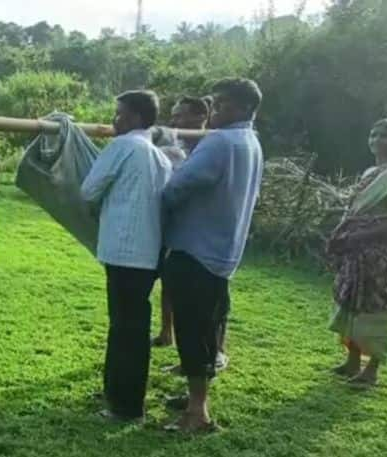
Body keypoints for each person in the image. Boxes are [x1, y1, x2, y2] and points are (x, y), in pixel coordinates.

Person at [161, 78, 264, 432]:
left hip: (195, 250)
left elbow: (180, 185)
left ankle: (197, 413)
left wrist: (164, 190)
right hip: (223, 251)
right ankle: (194, 399)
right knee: (208, 327)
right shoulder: (251, 140)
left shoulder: (220, 142)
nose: (213, 111)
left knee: (192, 331)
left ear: (241, 108)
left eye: (220, 105)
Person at [80, 90, 173, 423]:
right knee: (131, 327)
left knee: (125, 330)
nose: (113, 120)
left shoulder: (123, 146)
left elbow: (88, 189)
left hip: (124, 252)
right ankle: (117, 393)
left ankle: (126, 406)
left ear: (135, 117)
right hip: (148, 254)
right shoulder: (160, 156)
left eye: (119, 114)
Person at [327, 118, 387, 388]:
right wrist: (340, 236)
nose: (376, 140)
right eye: (373, 134)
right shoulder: (370, 172)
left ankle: (371, 370)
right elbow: (354, 212)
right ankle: (352, 360)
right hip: (355, 252)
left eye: (384, 135)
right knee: (351, 302)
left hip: (379, 253)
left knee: (375, 307)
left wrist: (358, 236)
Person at [152, 96, 212, 349]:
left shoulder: (211, 148)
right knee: (168, 279)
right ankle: (167, 332)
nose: (174, 121)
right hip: (172, 224)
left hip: (202, 231)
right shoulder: (174, 145)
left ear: (200, 117)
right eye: (173, 115)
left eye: (180, 116)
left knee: (209, 293)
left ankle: (216, 347)